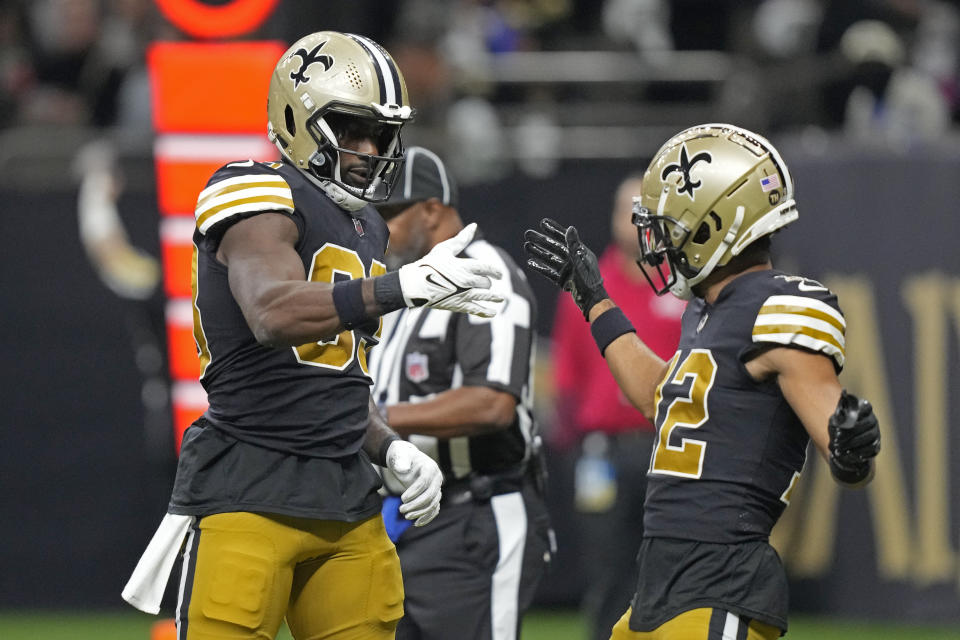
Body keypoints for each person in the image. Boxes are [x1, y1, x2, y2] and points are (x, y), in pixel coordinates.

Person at [122, 31, 507, 640]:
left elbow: (330, 374)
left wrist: (386, 447)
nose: (367, 149)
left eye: (380, 134)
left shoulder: (369, 230)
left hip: (346, 499)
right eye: (352, 129)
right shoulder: (255, 188)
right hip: (251, 486)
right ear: (300, 121)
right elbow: (273, 314)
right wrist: (400, 288)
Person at [524, 123, 881, 639]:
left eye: (669, 227)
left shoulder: (778, 309)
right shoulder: (706, 311)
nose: (656, 243)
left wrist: (853, 449)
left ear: (715, 227)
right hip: (659, 585)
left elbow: (845, 454)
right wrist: (596, 301)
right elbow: (657, 397)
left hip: (721, 583)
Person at [370, 146, 553, 640]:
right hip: (400, 519)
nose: (376, 226)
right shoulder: (398, 285)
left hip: (473, 514)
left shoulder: (483, 271)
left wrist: (377, 420)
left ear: (431, 209)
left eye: (387, 213)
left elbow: (492, 402)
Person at [549, 174, 684, 640]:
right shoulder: (587, 286)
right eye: (621, 209)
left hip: (664, 444)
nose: (628, 221)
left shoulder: (678, 286)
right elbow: (565, 377)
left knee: (668, 566)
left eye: (637, 209)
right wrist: (575, 445)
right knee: (605, 568)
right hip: (601, 450)